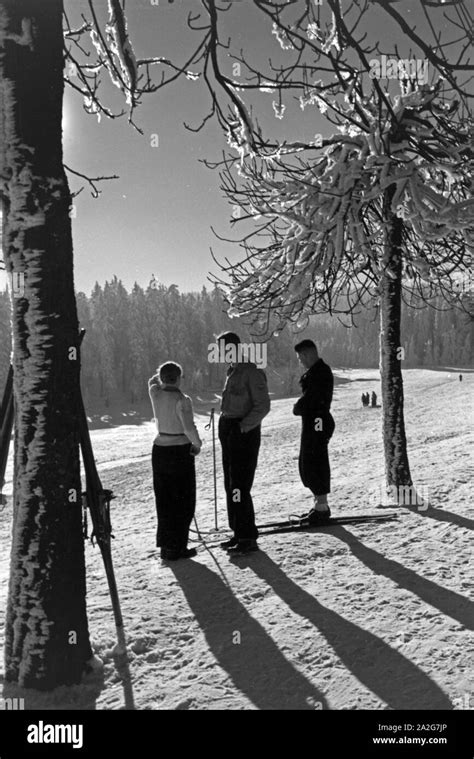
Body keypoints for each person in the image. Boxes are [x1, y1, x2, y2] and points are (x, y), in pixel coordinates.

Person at [217, 332, 271, 555]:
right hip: (230, 429)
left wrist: (242, 427)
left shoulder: (251, 371)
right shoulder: (233, 370)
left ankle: (248, 536)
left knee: (239, 484)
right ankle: (238, 531)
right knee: (231, 484)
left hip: (243, 432)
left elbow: (263, 406)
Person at [148, 361, 202, 561]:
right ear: (179, 378)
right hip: (179, 449)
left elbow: (151, 382)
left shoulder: (155, 394)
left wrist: (160, 378)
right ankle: (178, 545)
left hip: (160, 448)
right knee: (183, 499)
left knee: (164, 499)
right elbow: (188, 428)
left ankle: (166, 544)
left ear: (162, 378)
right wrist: (197, 444)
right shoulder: (182, 399)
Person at [293, 339, 335, 524]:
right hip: (315, 422)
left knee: (315, 462)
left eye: (300, 357)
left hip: (317, 423)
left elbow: (312, 399)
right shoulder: (318, 371)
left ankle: (322, 507)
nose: (300, 361)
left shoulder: (320, 373)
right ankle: (320, 505)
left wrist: (298, 407)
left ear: (307, 354)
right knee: (310, 462)